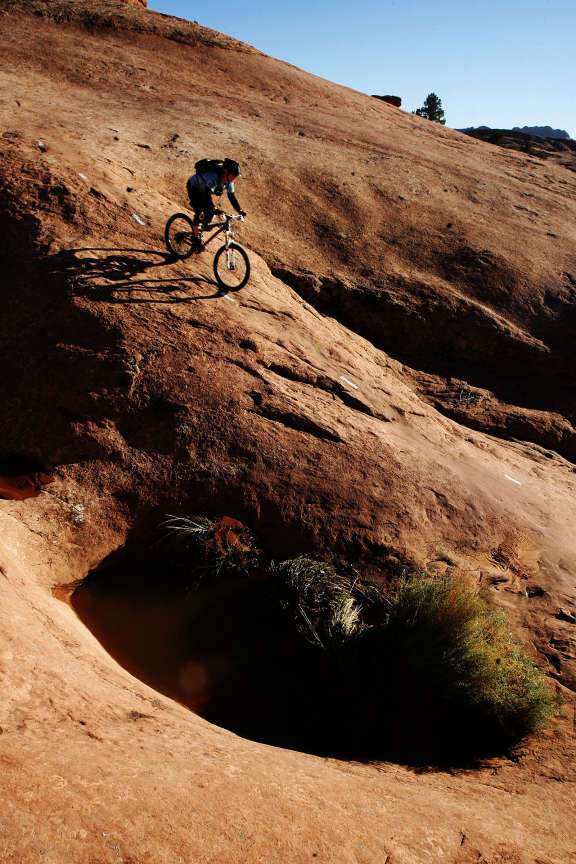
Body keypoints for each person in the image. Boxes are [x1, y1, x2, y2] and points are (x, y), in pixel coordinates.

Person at [186, 157, 246, 240]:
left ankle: (199, 229)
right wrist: (213, 208)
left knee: (209, 216)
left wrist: (240, 210)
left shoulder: (229, 182)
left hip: (204, 191)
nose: (234, 179)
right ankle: (195, 236)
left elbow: (232, 197)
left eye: (235, 177)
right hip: (194, 187)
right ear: (226, 172)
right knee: (200, 211)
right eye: (233, 176)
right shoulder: (213, 177)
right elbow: (206, 194)